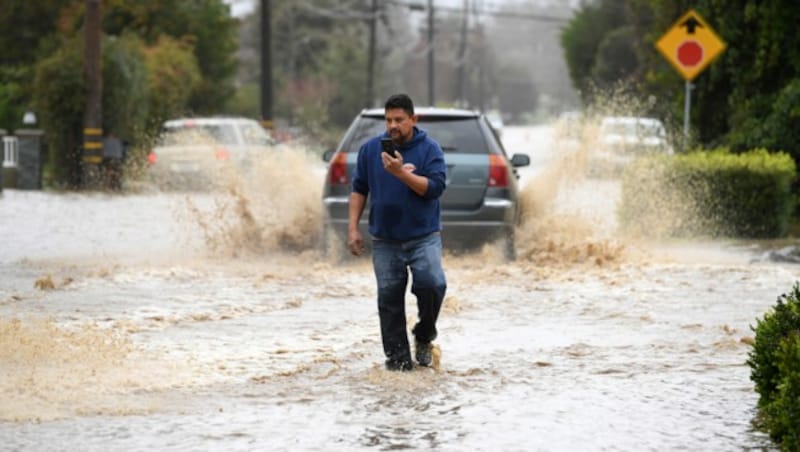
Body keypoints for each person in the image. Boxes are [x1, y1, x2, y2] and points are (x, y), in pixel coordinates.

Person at [348, 94, 448, 371]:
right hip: (385, 240)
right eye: (389, 120)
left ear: (413, 120)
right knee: (389, 300)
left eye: (399, 120)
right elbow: (359, 190)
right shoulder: (370, 150)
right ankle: (398, 363)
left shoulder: (430, 149)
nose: (393, 125)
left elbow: (435, 188)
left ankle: (424, 335)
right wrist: (353, 228)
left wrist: (400, 173)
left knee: (433, 284)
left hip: (423, 236)